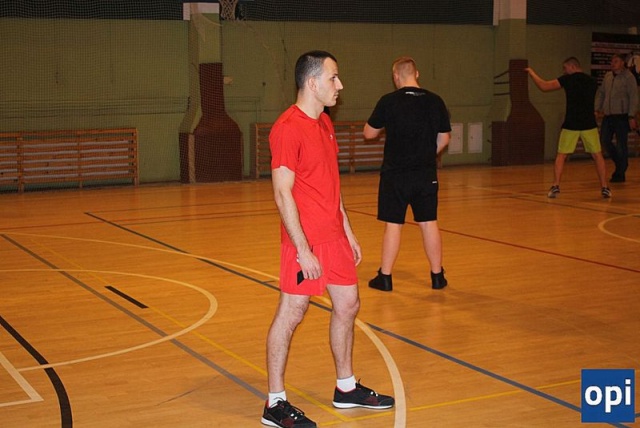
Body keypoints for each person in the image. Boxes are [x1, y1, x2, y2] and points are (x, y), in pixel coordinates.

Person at [263, 50, 394, 428]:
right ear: (312, 82)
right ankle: (274, 403)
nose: (340, 85)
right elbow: (282, 192)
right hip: (304, 240)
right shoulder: (287, 127)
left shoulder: (323, 123)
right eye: (333, 78)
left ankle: (346, 387)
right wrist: (302, 249)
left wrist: (347, 229)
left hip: (334, 236)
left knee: (349, 304)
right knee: (292, 313)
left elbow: (329, 184)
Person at [363, 56, 450, 292]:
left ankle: (385, 277)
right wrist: (425, 153)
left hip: (395, 175)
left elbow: (369, 133)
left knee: (393, 224)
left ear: (395, 77)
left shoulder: (389, 101)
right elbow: (444, 138)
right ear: (417, 74)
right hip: (425, 173)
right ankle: (437, 277)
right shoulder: (435, 101)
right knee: (429, 222)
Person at [525, 57, 612, 199]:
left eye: (565, 68)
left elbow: (544, 86)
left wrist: (532, 73)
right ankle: (605, 187)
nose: (564, 71)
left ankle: (555, 185)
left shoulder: (567, 80)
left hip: (571, 124)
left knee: (561, 155)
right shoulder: (592, 81)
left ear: (572, 66)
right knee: (597, 155)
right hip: (589, 123)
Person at [594, 53, 639, 183]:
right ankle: (621, 164)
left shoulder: (629, 77)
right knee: (604, 141)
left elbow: (634, 97)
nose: (612, 64)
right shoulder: (608, 76)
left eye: (616, 61)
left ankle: (620, 172)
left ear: (622, 63)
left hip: (622, 116)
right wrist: (597, 108)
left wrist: (631, 115)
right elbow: (601, 93)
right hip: (608, 115)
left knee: (621, 145)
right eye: (612, 61)